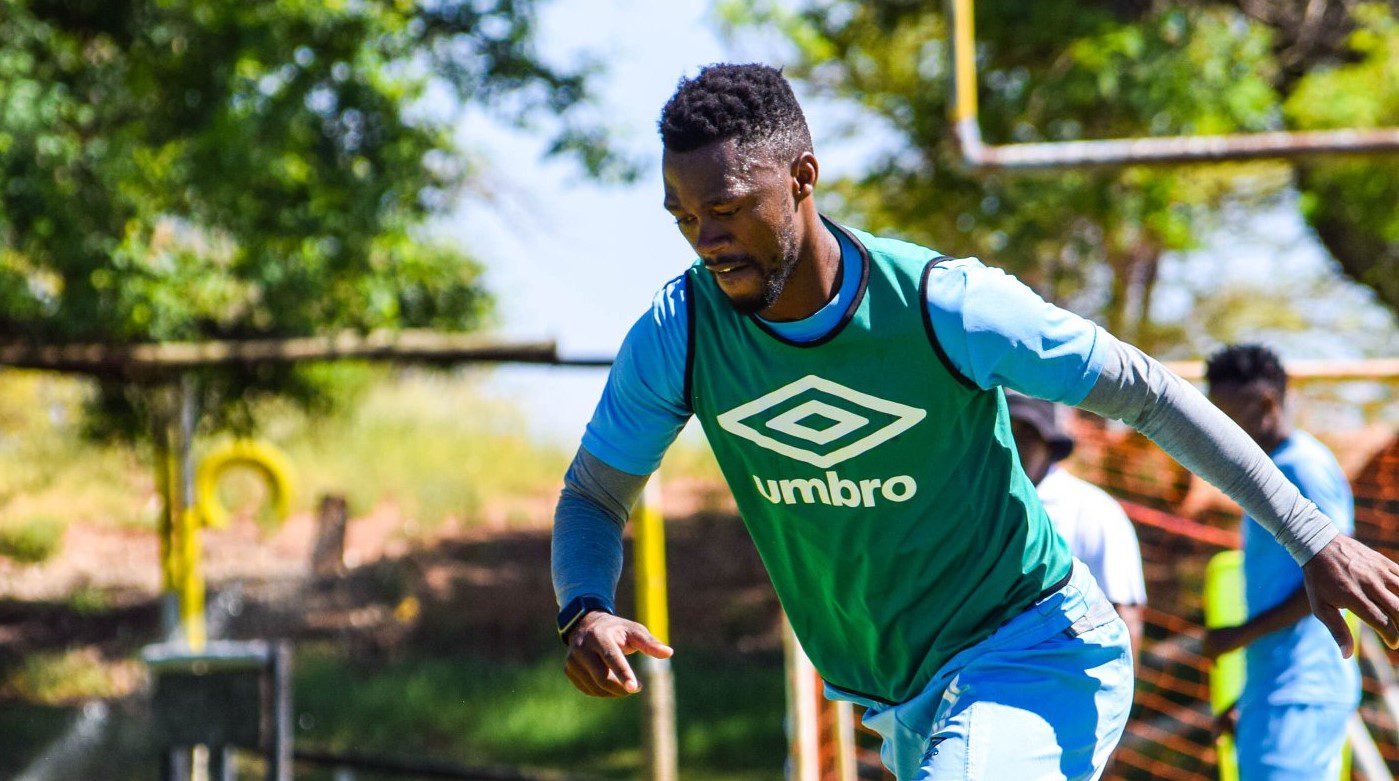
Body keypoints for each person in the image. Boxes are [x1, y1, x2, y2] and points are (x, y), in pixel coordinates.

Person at [549, 64, 1399, 780]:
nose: (706, 239)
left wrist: (1311, 537)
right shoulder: (681, 333)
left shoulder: (941, 306)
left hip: (1034, 648)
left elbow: (1144, 388)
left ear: (802, 178)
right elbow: (594, 490)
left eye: (727, 208)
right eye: (684, 219)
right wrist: (583, 606)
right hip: (899, 697)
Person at [1201, 345, 1362, 780]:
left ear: (1266, 404)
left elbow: (1337, 578)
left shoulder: (1302, 467)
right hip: (1276, 691)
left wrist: (1237, 636)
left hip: (1300, 692)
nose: (1218, 429)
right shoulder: (1271, 469)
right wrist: (1249, 697)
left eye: (1226, 414)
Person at [1007, 392, 1147, 658]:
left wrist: (1121, 698)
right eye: (1006, 433)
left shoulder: (1094, 511)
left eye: (1025, 434)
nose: (1013, 446)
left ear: (1049, 444)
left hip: (1070, 685)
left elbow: (1126, 617)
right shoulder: (982, 508)